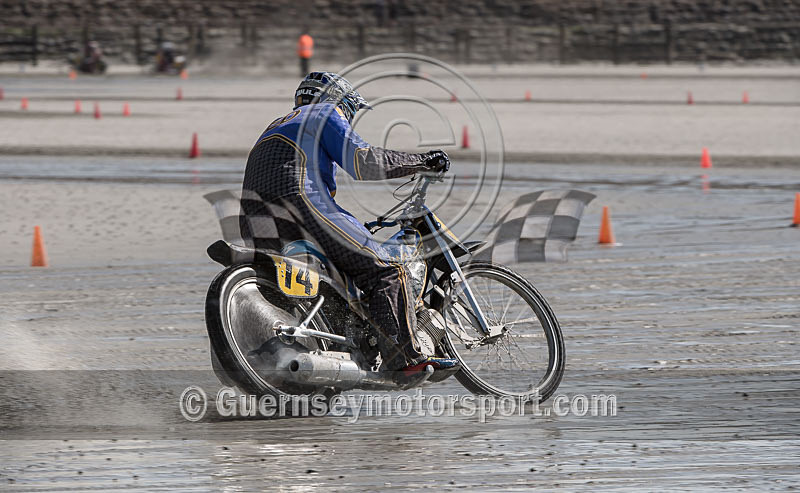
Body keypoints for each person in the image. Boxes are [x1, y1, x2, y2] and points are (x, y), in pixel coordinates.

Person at [240, 72, 458, 377]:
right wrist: (421, 162)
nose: (349, 118)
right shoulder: (325, 112)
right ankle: (405, 358)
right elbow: (363, 160)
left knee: (340, 276)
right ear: (337, 100)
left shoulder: (275, 126)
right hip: (302, 204)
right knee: (386, 267)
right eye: (350, 111)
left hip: (253, 221)